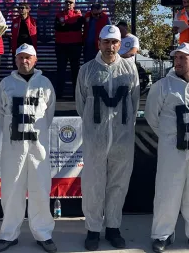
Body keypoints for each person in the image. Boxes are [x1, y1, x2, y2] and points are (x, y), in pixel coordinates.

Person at [145, 42, 189, 253]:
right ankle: (162, 235)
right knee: (167, 190)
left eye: (182, 58)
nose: (177, 61)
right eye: (176, 57)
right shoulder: (162, 86)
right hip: (172, 150)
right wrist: (170, 136)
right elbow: (152, 116)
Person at [76, 25, 140, 251]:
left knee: (118, 185)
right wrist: (96, 129)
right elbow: (80, 104)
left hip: (122, 140)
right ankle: (93, 230)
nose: (111, 46)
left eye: (115, 42)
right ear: (99, 43)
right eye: (106, 42)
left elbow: (134, 103)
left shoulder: (130, 70)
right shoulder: (86, 70)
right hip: (96, 140)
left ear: (120, 44)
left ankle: (113, 228)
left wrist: (123, 130)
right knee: (93, 185)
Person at [0, 44, 57, 253]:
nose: (24, 61)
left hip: (38, 149)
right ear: (15, 60)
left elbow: (48, 115)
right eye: (20, 57)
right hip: (13, 148)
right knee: (11, 192)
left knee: (40, 190)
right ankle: (9, 234)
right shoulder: (6, 84)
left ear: (35, 60)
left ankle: (43, 234)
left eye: (28, 57)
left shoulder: (45, 83)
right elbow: (1, 115)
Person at [54, 0, 83, 99]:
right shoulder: (59, 15)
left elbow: (77, 27)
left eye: (71, 2)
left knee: (75, 71)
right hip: (61, 46)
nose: (68, 4)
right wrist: (69, 26)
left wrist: (65, 26)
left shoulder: (78, 15)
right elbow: (57, 27)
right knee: (61, 70)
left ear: (74, 4)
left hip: (75, 46)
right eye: (66, 2)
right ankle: (59, 94)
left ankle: (76, 94)